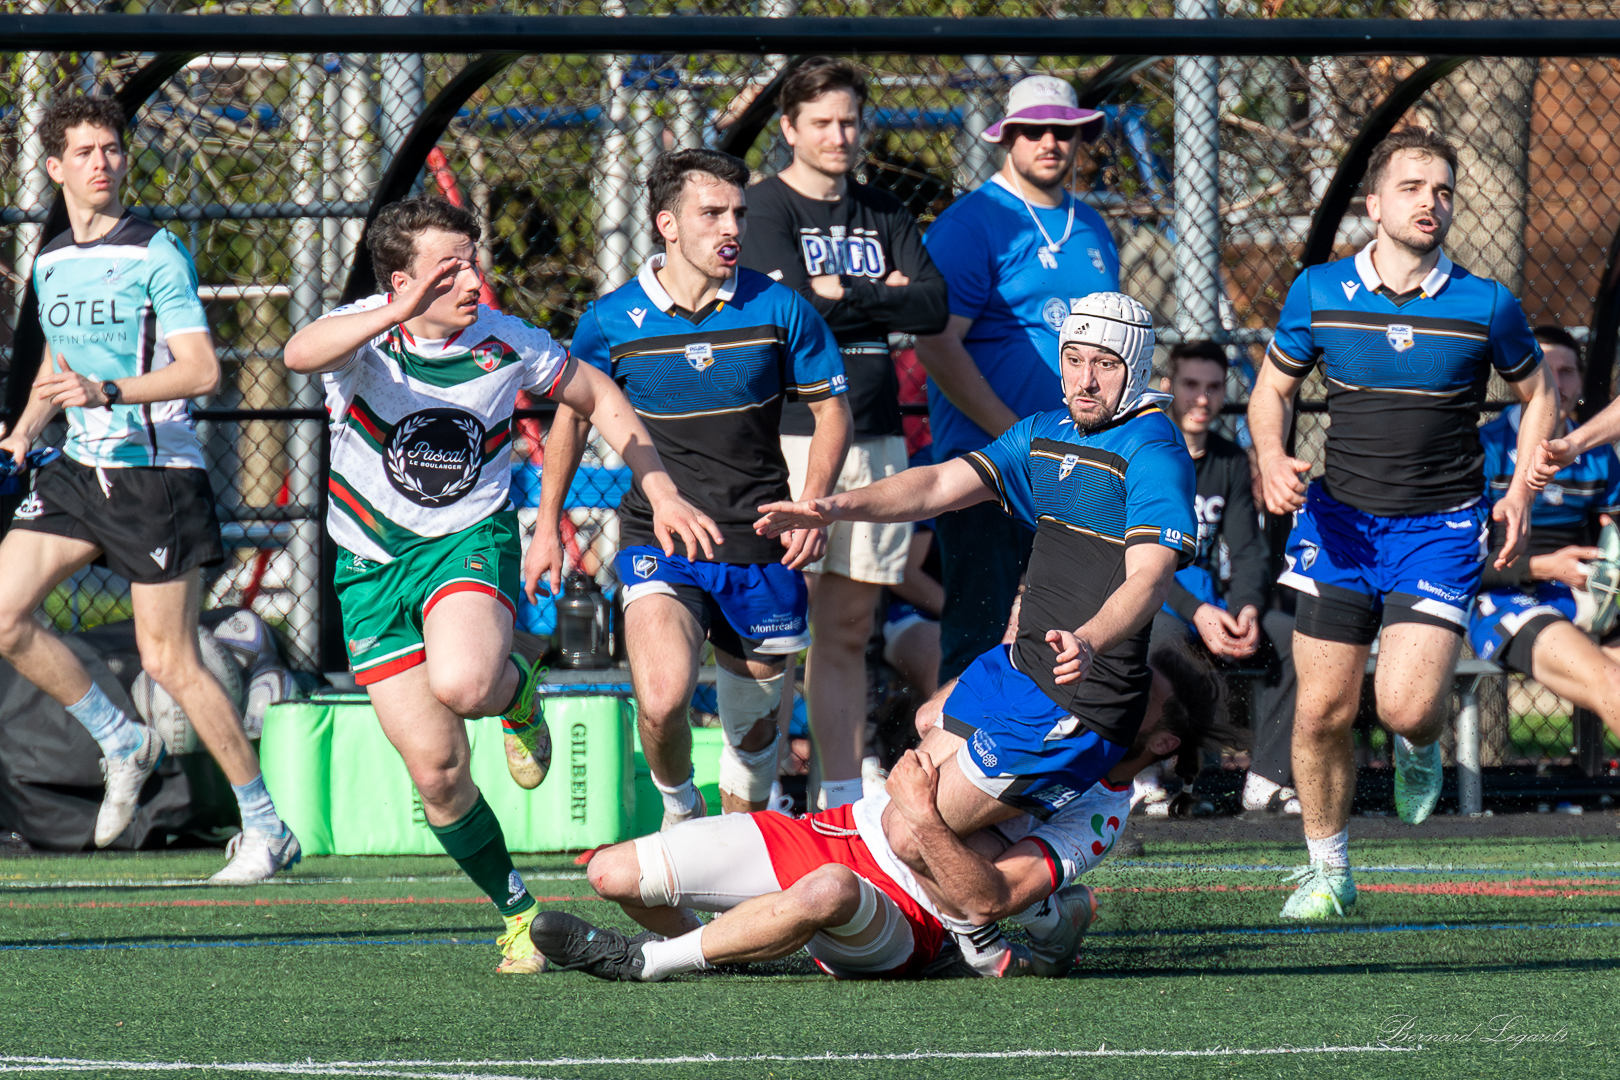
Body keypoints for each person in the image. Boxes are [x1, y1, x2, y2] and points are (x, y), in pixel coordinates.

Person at [282, 194, 716, 973]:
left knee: (464, 680)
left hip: (466, 545)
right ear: (400, 278)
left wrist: (656, 485)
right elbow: (298, 353)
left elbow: (600, 397)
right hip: (370, 565)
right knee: (437, 772)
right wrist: (396, 310)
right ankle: (517, 915)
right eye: (448, 266)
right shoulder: (364, 337)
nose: (469, 277)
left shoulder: (504, 340)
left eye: (472, 260)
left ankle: (516, 691)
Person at [757, 292, 1195, 906]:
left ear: (1137, 368)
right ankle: (1041, 907)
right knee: (921, 738)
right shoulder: (1045, 432)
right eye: (1072, 358)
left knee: (907, 830)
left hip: (1077, 700)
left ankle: (986, 924)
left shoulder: (1154, 452)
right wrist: (833, 507)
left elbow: (1148, 578)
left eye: (1105, 363)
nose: (1084, 380)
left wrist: (1090, 638)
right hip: (1017, 668)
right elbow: (938, 483)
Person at [1247, 128, 1558, 920]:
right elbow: (1270, 392)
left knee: (1407, 707)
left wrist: (1520, 492)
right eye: (1416, 187)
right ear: (1377, 204)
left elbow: (1541, 397)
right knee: (1321, 711)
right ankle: (1329, 872)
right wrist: (1273, 455)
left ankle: (1420, 745)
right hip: (1340, 523)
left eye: (1445, 189)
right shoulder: (1317, 291)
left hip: (1441, 527)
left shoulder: (1487, 302)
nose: (1433, 201)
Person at [530, 639, 1230, 983]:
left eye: (1137, 704)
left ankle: (650, 962)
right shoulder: (1053, 720)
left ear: (1163, 741)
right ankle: (732, 946)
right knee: (612, 875)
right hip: (831, 831)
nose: (1114, 700)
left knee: (830, 891)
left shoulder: (1102, 811)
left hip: (911, 919)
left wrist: (923, 819)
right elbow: (931, 716)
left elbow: (990, 897)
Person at [0, 96, 290, 880]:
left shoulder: (157, 253)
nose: (103, 162)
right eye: (86, 151)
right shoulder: (53, 259)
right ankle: (120, 740)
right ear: (56, 167)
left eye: (113, 149)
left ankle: (264, 825)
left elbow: (201, 370)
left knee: (168, 661)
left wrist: (110, 392)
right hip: (76, 474)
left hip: (156, 475)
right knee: (2, 615)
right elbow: (55, 369)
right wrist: (25, 431)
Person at [538, 149, 853, 826]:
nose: (730, 226)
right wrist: (544, 526)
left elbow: (833, 412)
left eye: (738, 212)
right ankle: (680, 812)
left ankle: (738, 864)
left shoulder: (780, 308)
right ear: (668, 225)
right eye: (711, 213)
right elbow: (570, 418)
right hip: (661, 535)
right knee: (661, 695)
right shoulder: (611, 321)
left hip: (762, 544)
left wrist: (812, 505)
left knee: (755, 743)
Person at [741, 57, 948, 810]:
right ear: (790, 129)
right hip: (789, 434)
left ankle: (834, 799)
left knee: (850, 627)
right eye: (822, 122)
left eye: (850, 121)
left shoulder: (886, 210)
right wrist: (877, 296)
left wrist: (847, 294)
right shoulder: (763, 209)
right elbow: (790, 312)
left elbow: (929, 305)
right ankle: (757, 796)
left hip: (875, 435)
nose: (839, 135)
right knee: (773, 623)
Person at [914, 74, 1120, 686]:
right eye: (1034, 129)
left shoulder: (1092, 228)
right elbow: (936, 345)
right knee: (979, 636)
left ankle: (1055, 778)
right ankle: (942, 770)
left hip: (1076, 468)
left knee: (1073, 635)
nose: (1050, 142)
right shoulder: (971, 224)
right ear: (1009, 136)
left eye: (1063, 129)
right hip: (990, 468)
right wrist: (1020, 438)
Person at [1146, 341, 1296, 815]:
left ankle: (1265, 780)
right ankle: (1143, 775)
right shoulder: (1146, 453)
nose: (1203, 399)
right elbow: (1142, 565)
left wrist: (1248, 607)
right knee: (1154, 643)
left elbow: (1248, 550)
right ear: (1168, 389)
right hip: (1156, 600)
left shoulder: (1229, 461)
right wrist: (1197, 612)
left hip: (1212, 604)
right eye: (1191, 385)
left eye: (1214, 387)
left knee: (1291, 638)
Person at [1470, 328, 1620, 735]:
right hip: (1504, 597)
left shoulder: (1598, 452)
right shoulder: (1484, 449)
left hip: (1588, 596)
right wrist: (1542, 567)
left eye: (1567, 371)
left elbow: (1612, 532)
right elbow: (1455, 565)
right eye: (1545, 371)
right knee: (1613, 684)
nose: (1557, 384)